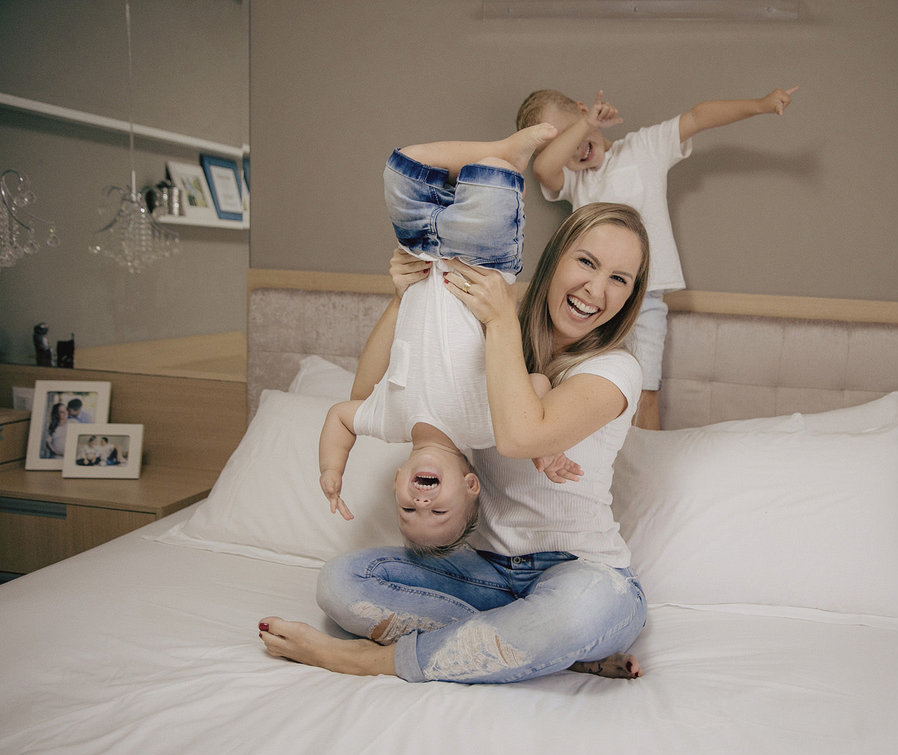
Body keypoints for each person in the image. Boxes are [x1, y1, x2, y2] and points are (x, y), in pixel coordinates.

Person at [260, 201, 651, 683]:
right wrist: (406, 298)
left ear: (631, 296)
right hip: (482, 573)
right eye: (587, 262)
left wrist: (501, 320)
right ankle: (544, 649)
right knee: (342, 583)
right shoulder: (484, 335)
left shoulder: (616, 370)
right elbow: (366, 396)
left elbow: (520, 434)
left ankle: (376, 660)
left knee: (573, 616)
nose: (596, 289)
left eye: (620, 278)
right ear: (555, 261)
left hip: (583, 577)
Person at [319, 123, 581, 555]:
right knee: (493, 176)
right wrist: (543, 450)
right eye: (437, 513)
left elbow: (339, 416)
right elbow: (535, 387)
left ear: (397, 482)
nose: (421, 503)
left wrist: (331, 468)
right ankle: (506, 153)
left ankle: (504, 147)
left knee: (402, 166)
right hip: (481, 263)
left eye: (408, 511)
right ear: (470, 484)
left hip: (419, 254)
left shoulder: (388, 422)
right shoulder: (486, 428)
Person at [515, 85, 798, 429]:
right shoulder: (575, 181)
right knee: (577, 384)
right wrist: (583, 124)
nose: (573, 147)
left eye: (572, 129)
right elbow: (544, 167)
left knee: (644, 389)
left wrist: (760, 104)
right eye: (560, 142)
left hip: (645, 299)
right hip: (589, 304)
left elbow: (697, 116)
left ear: (581, 108)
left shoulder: (644, 147)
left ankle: (643, 466)